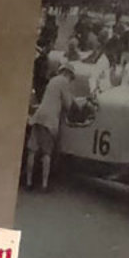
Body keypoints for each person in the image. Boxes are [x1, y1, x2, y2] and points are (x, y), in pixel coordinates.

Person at [26, 61, 74, 192]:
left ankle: (29, 182)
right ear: (68, 74)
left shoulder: (53, 80)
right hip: (50, 119)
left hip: (38, 116)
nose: (70, 80)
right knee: (47, 153)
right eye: (71, 78)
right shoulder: (64, 82)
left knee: (32, 151)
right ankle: (44, 185)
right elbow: (69, 105)